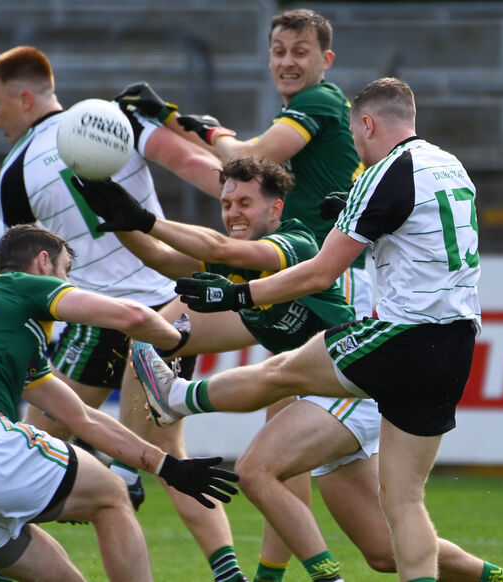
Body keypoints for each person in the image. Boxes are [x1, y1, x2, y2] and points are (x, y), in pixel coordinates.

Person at [131, 78, 503, 582]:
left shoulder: (383, 172)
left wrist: (237, 294)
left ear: (368, 124)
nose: (356, 146)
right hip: (458, 341)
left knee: (284, 372)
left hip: (403, 334)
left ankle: (178, 395)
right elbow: (418, 241)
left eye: (357, 135)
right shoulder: (452, 166)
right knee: (403, 506)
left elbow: (318, 274)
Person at [0, 46, 250, 582]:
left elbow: (30, 275)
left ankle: (1, 573)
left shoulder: (14, 175)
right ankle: (229, 575)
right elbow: (201, 168)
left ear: (24, 97)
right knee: (168, 450)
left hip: (93, 315)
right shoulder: (118, 118)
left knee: (36, 453)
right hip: (165, 306)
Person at [117, 12, 374, 576]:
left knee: (278, 460)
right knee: (160, 339)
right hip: (286, 281)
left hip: (311, 280)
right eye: (278, 50)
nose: (287, 60)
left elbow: (251, 156)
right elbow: (232, 175)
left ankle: (125, 473)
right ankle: (143, 469)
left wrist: (196, 128)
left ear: (325, 61)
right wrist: (179, 124)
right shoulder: (303, 113)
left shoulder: (324, 103)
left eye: (300, 51)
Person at [0, 224, 238, 582]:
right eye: (66, 272)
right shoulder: (21, 285)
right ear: (44, 262)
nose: (69, 283)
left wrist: (168, 468)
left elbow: (83, 419)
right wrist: (176, 336)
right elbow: (133, 316)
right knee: (111, 495)